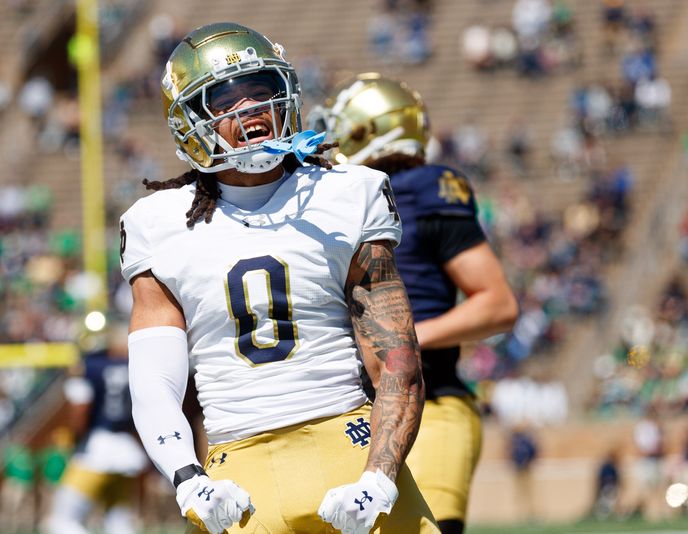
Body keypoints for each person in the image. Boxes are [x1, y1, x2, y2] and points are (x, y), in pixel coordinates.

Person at [120, 22, 439, 534]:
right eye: (225, 100)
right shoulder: (157, 223)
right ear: (190, 120)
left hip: (348, 446)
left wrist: (379, 477)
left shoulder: (345, 192)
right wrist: (186, 478)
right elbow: (155, 383)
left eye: (261, 91)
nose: (249, 110)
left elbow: (397, 360)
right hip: (237, 474)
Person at [319, 73, 518, 534]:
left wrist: (401, 344)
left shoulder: (424, 189)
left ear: (366, 130)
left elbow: (497, 304)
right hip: (353, 413)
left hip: (432, 402)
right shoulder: (339, 199)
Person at [43, 322, 148, 534]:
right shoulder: (134, 365)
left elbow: (80, 408)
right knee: (118, 522)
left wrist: (74, 438)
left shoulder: (89, 367)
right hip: (127, 447)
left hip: (97, 448)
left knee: (60, 521)